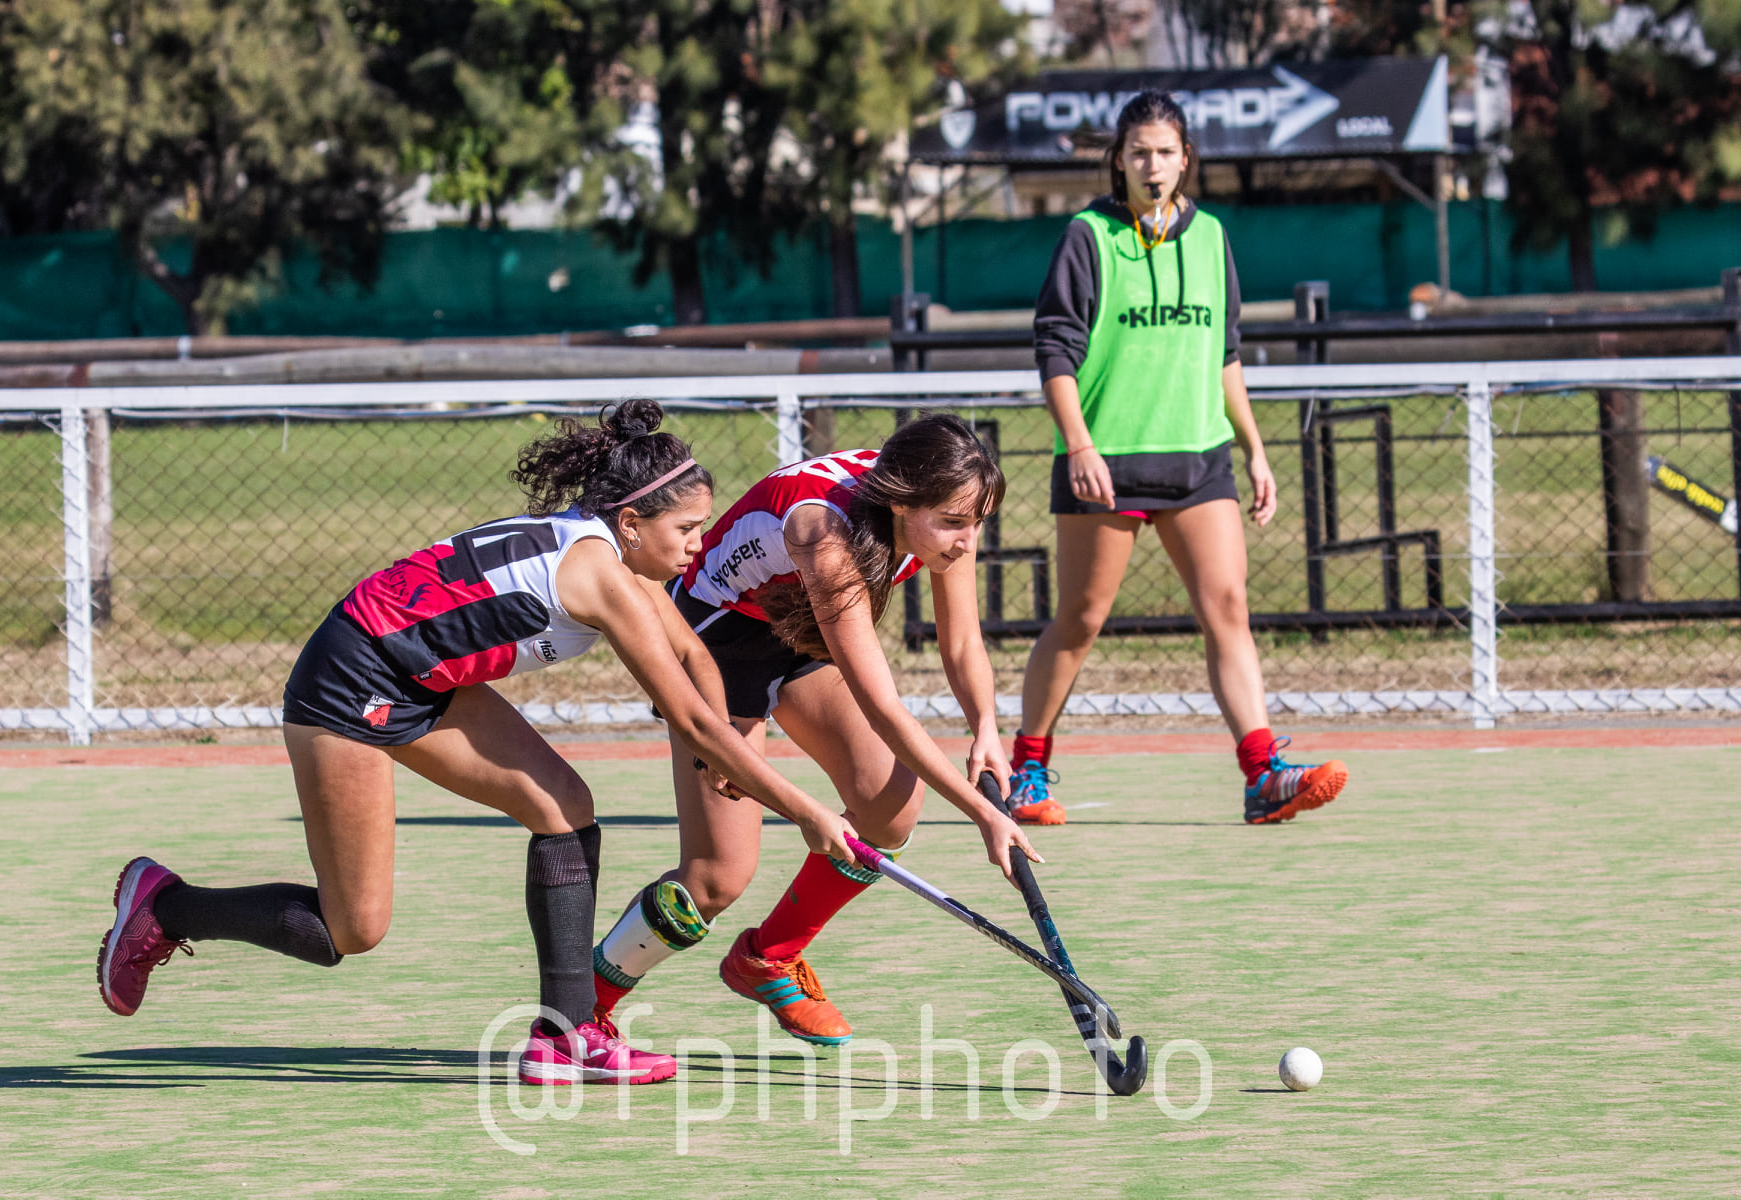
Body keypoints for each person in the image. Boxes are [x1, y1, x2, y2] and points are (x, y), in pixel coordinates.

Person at [94, 399, 860, 1087]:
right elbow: (690, 719)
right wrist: (803, 810)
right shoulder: (601, 575)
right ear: (632, 523)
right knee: (350, 928)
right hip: (351, 681)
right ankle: (168, 907)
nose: (699, 545)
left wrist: (720, 759)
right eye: (686, 530)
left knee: (563, 806)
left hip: (423, 676)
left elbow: (695, 658)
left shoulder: (623, 558)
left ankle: (564, 1038)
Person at [587, 414, 1041, 1045]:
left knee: (890, 805)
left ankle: (768, 956)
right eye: (956, 523)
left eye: (977, 523)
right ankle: (581, 1010)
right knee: (718, 877)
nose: (968, 541)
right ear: (904, 502)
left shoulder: (940, 503)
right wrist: (982, 813)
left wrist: (986, 727)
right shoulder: (822, 531)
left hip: (797, 629)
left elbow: (961, 640)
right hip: (716, 644)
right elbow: (882, 705)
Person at [1008, 89, 1347, 828]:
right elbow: (1055, 354)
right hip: (1108, 461)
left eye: (1165, 152)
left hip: (1200, 460)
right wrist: (1080, 446)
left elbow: (1223, 356)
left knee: (1228, 607)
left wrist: (1256, 449)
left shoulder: (1211, 236)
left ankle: (1263, 775)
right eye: (1138, 153)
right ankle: (1025, 769)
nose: (1152, 165)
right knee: (1081, 619)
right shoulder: (1088, 235)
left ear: (1185, 158)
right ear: (1119, 162)